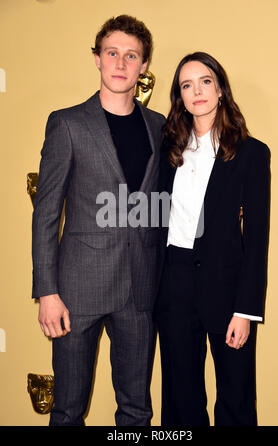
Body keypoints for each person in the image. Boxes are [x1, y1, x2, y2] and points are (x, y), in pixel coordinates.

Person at [32, 15, 165, 426]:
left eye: (131, 55)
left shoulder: (159, 127)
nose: (121, 63)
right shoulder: (68, 123)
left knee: (137, 410)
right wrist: (47, 292)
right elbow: (46, 214)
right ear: (97, 59)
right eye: (112, 53)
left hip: (140, 293)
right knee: (68, 410)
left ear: (143, 65)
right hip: (76, 293)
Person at [155, 52, 271, 426]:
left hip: (228, 289)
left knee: (236, 398)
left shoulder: (251, 153)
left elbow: (256, 239)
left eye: (205, 81)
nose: (197, 91)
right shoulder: (167, 151)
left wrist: (246, 309)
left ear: (220, 89)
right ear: (180, 97)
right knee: (179, 398)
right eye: (187, 85)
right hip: (174, 283)